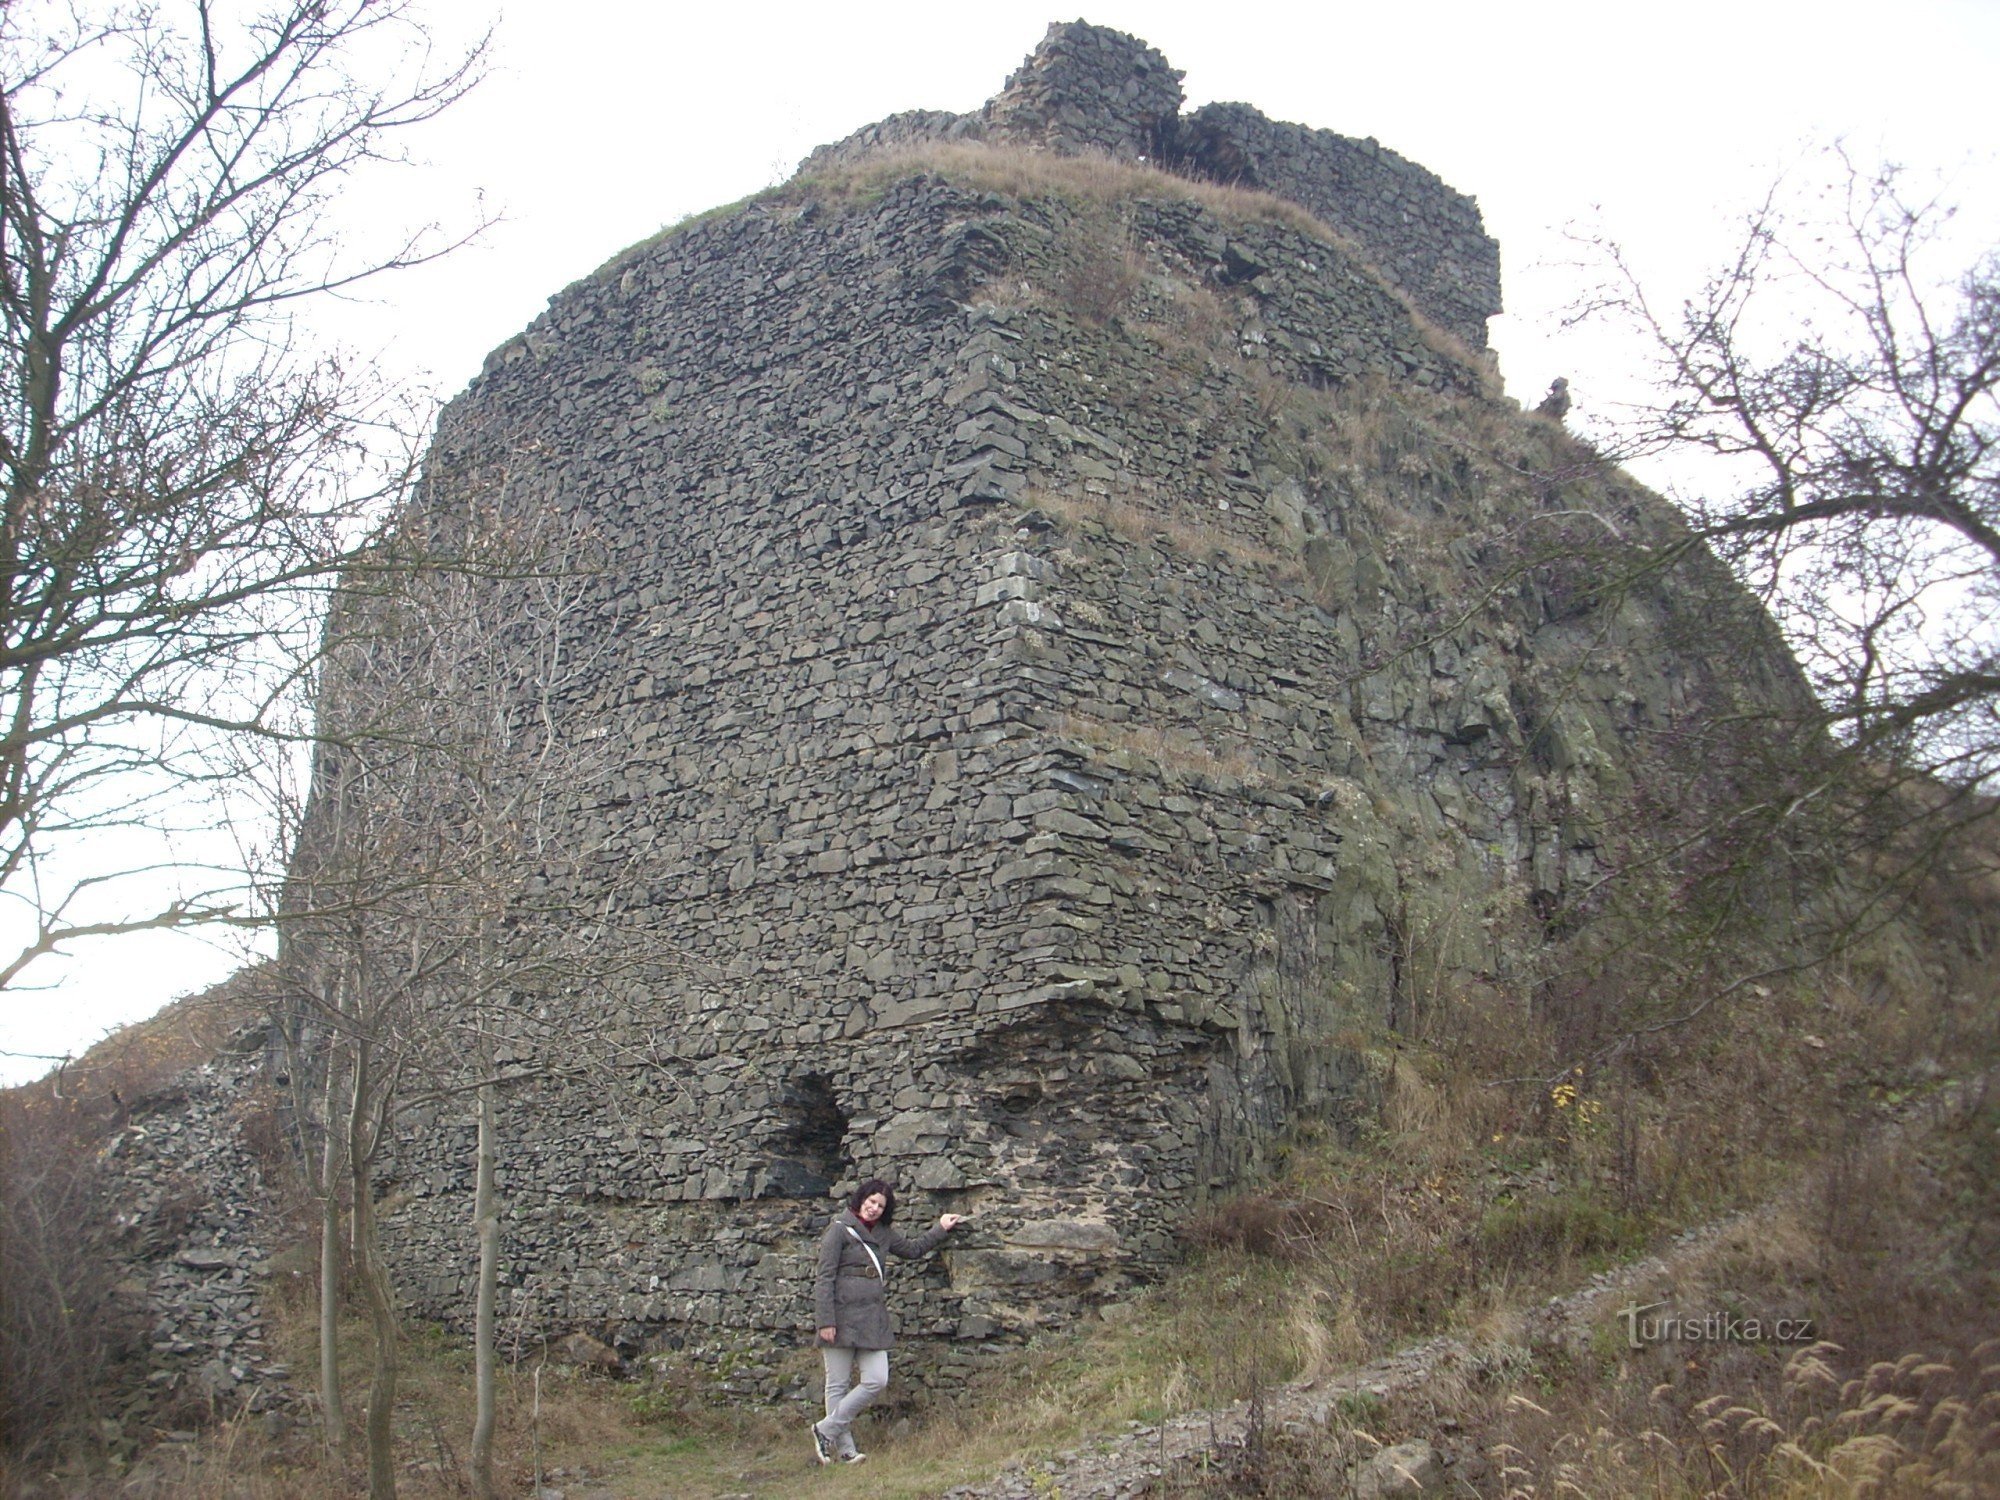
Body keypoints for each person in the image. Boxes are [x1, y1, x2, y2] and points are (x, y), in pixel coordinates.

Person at [810, 1177, 964, 1465]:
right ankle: (845, 1451)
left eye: (880, 1206)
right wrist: (825, 1321)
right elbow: (825, 1278)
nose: (874, 1208)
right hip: (839, 1317)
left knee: (877, 1379)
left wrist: (940, 1228)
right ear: (860, 1200)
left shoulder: (884, 1234)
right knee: (837, 1385)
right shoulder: (838, 1230)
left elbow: (914, 1249)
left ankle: (825, 1430)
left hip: (871, 1319)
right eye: (871, 1202)